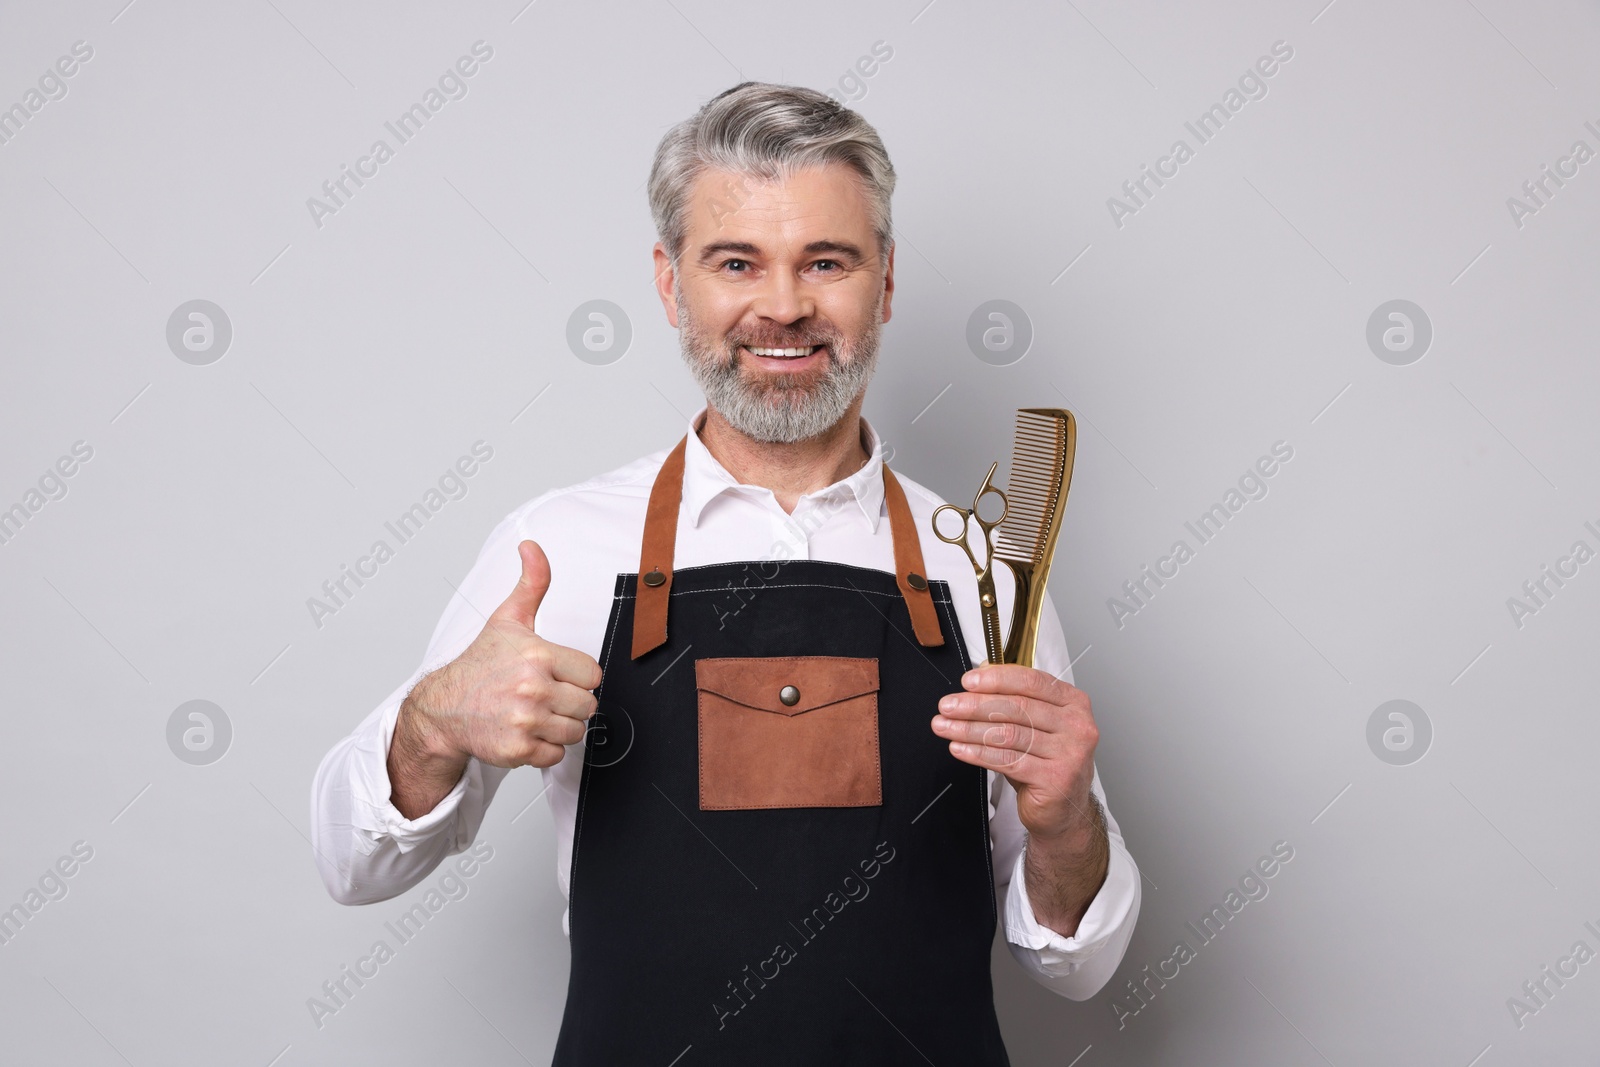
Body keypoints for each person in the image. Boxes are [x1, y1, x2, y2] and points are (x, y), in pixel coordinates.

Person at [310, 81, 1140, 1063]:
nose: (784, 307)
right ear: (670, 284)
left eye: (825, 261)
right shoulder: (560, 547)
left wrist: (1065, 820)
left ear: (883, 282)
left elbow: (1074, 965)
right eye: (736, 261)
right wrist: (433, 722)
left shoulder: (988, 576)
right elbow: (349, 866)